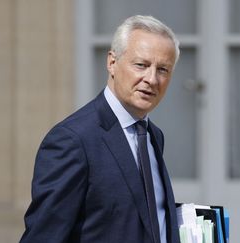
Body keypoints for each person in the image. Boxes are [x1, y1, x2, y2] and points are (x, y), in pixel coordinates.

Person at [20, 15, 181, 243]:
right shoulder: (72, 140)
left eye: (163, 69)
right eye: (141, 65)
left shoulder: (154, 136)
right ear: (112, 63)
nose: (152, 79)